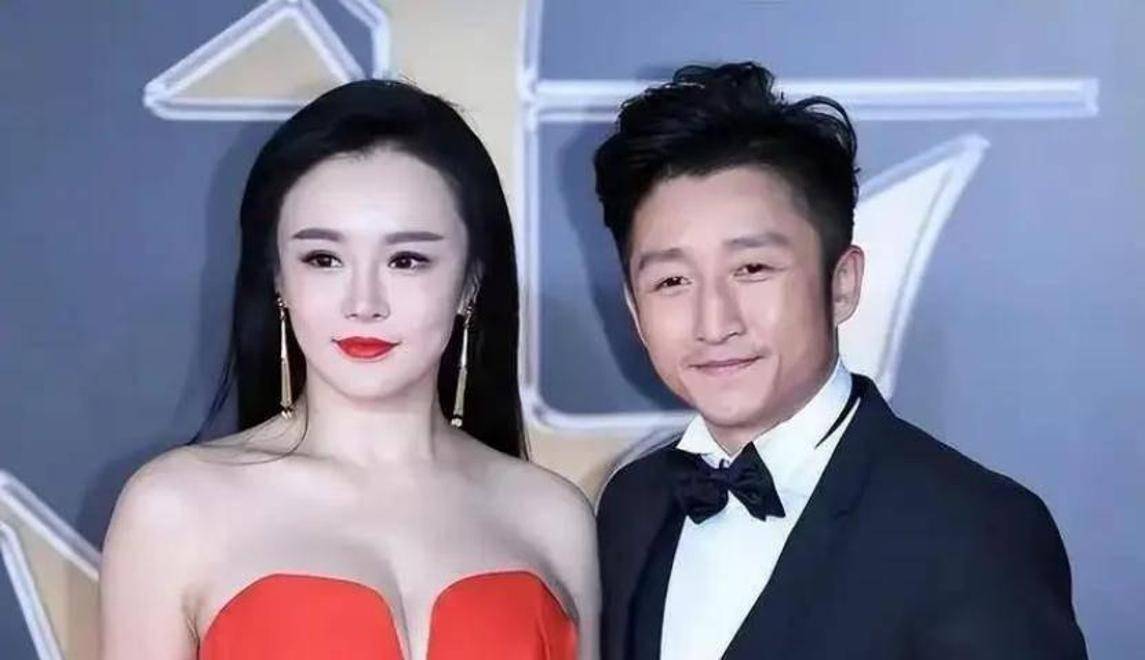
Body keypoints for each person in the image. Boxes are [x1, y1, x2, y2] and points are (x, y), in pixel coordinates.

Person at [592, 62, 1086, 659]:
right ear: (634, 308)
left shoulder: (976, 529)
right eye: (672, 281)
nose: (714, 323)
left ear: (842, 282)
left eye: (752, 268)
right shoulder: (631, 506)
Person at [100, 79, 598, 659]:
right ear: (279, 279)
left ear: (470, 282)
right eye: (323, 258)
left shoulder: (552, 517)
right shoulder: (174, 508)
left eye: (406, 260)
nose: (364, 303)